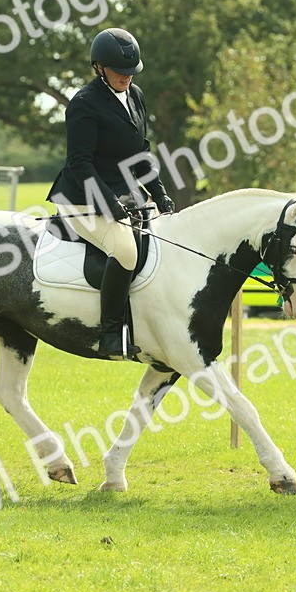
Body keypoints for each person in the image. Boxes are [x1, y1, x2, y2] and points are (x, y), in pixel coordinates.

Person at [46, 28, 174, 359]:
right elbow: (80, 163)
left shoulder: (135, 96)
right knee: (126, 252)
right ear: (99, 67)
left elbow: (140, 153)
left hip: (125, 196)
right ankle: (110, 333)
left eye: (131, 72)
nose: (126, 77)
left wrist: (159, 193)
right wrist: (109, 204)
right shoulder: (84, 104)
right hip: (81, 199)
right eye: (119, 71)